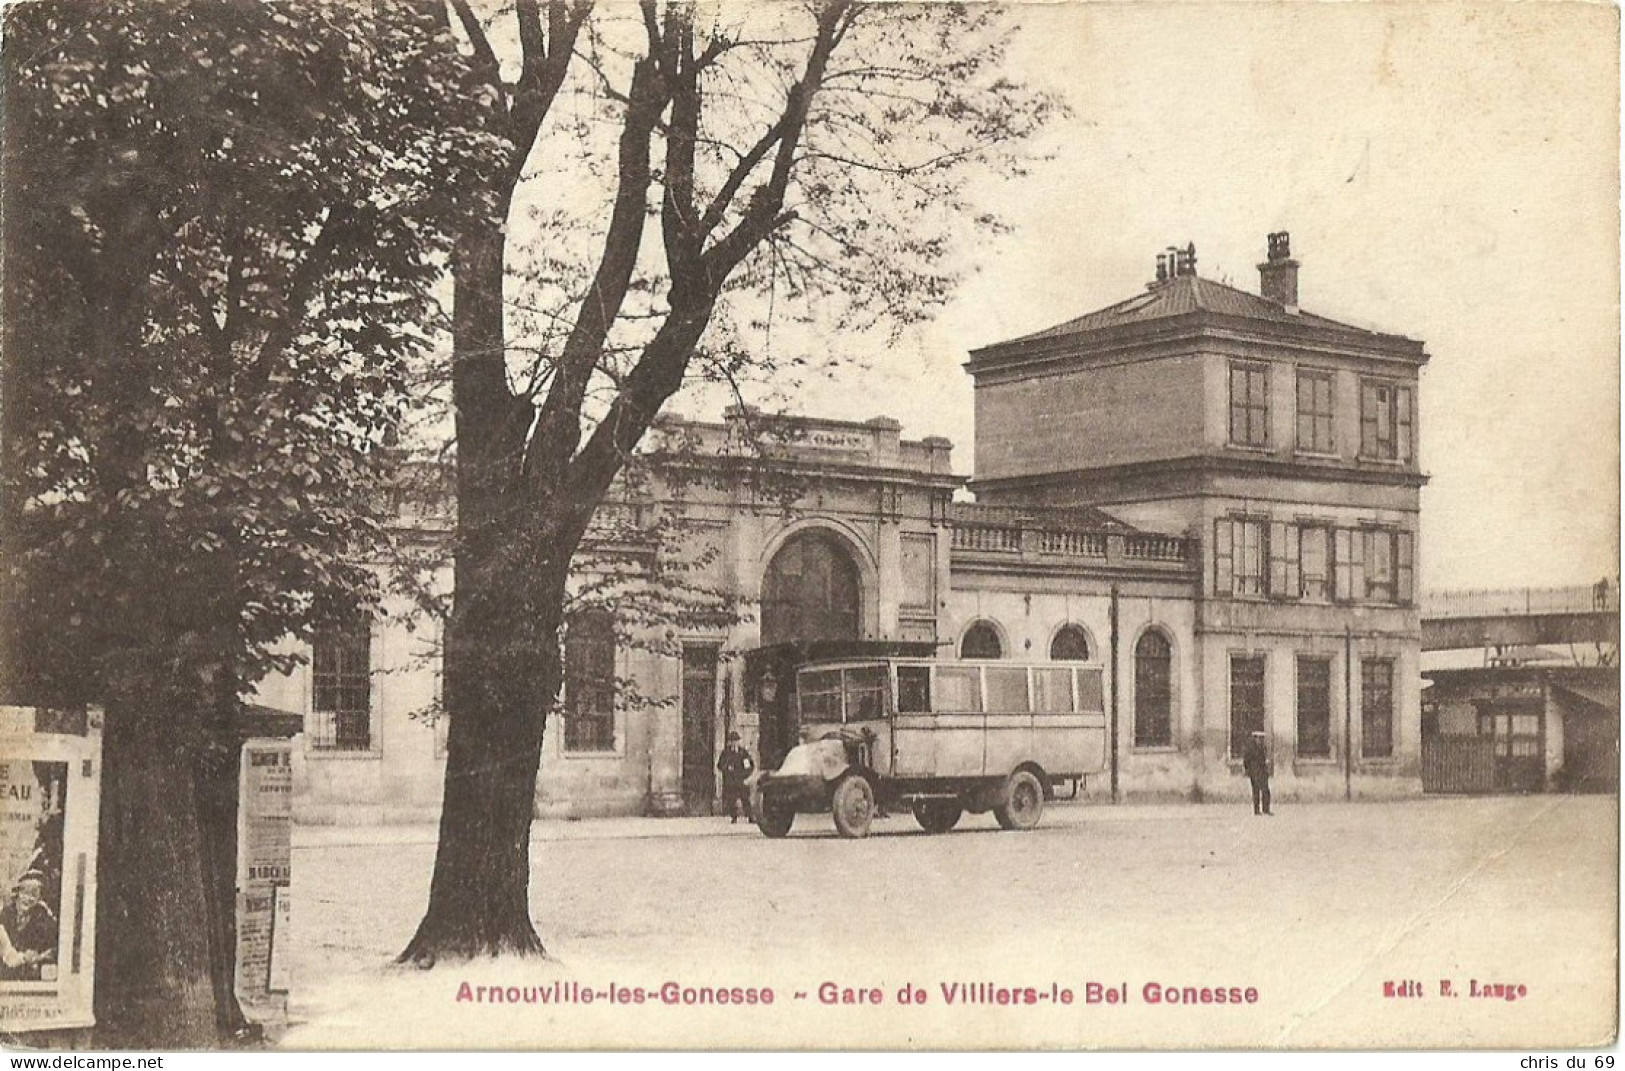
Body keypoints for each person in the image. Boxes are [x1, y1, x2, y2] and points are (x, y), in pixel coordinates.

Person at [0, 872, 57, 981]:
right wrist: (25, 957)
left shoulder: (43, 919)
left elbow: (51, 950)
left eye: (34, 895)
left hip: (31, 977)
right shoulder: (5, 915)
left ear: (39, 899)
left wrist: (38, 958)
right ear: (17, 894)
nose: (28, 898)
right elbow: (9, 957)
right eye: (25, 893)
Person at [717, 731, 755, 823]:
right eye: (732, 741)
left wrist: (747, 775)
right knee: (731, 800)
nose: (734, 743)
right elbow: (719, 765)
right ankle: (734, 817)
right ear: (730, 742)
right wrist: (726, 768)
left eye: (736, 740)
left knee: (745, 798)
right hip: (731, 780)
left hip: (741, 779)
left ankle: (750, 816)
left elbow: (750, 765)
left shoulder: (743, 752)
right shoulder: (726, 753)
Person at [1242, 730, 1273, 817]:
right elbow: (1246, 760)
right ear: (1255, 738)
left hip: (1262, 771)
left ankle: (1266, 809)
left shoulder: (1263, 747)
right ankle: (1256, 810)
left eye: (1261, 738)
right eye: (1259, 738)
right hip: (1254, 772)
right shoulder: (1250, 748)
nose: (1260, 740)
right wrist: (1247, 770)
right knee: (1256, 791)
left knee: (1266, 790)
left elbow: (1264, 759)